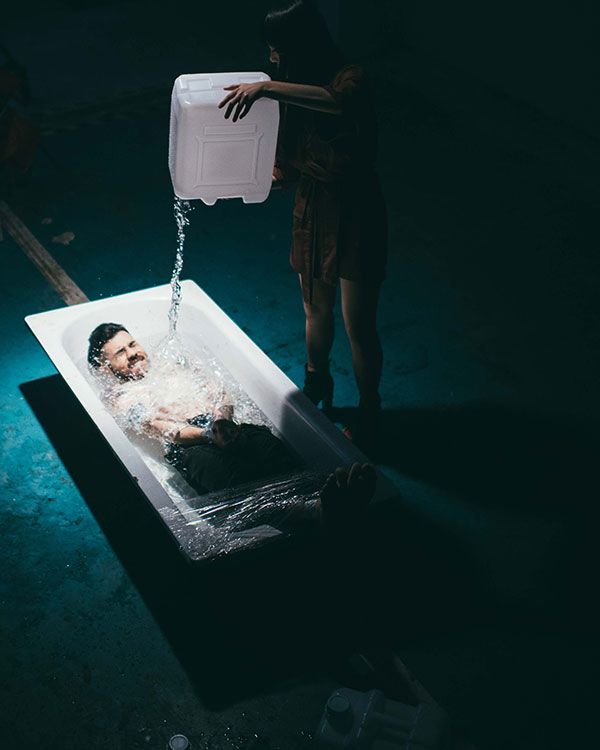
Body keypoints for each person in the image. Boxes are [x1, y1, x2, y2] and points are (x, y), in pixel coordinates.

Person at [219, 0, 388, 443]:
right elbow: (292, 160)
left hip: (355, 211)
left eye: (276, 47)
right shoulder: (291, 90)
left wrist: (267, 87)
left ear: (300, 43)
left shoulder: (350, 78)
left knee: (358, 323)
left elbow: (339, 102)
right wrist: (263, 176)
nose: (272, 56)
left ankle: (370, 409)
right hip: (312, 210)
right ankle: (317, 382)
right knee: (315, 309)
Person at [87, 322, 299, 495]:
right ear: (106, 367)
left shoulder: (170, 363)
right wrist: (209, 434)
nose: (132, 353)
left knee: (268, 446)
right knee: (238, 482)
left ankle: (310, 503)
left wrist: (222, 420)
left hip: (222, 425)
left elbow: (218, 390)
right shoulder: (121, 396)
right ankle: (304, 512)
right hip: (190, 447)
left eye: (132, 344)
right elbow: (154, 426)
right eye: (120, 353)